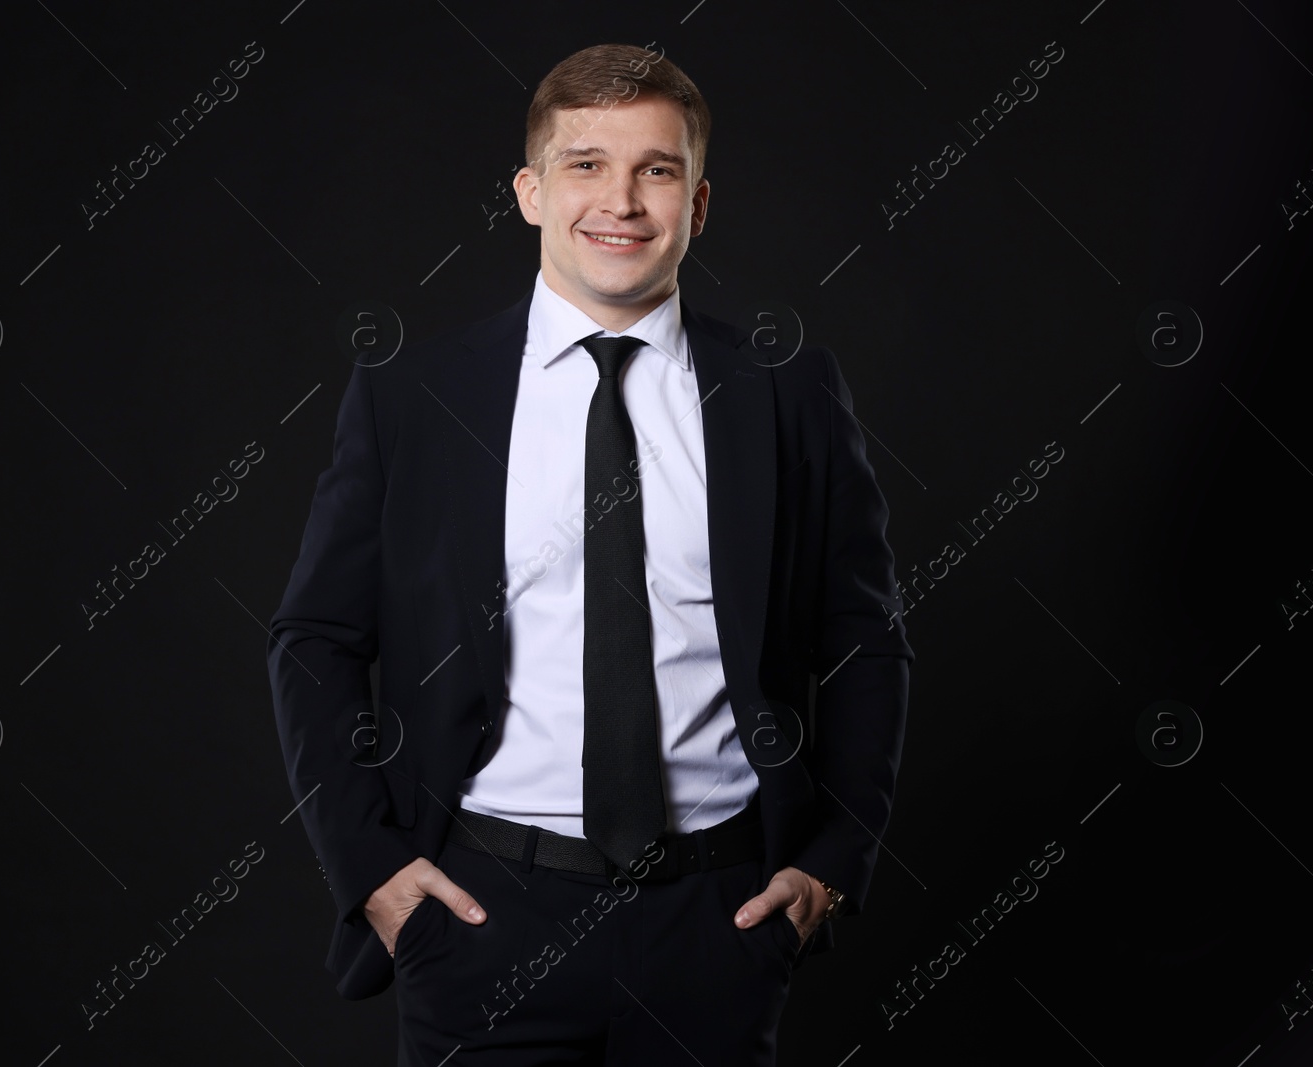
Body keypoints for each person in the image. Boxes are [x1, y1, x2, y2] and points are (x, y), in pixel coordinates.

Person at [268, 41, 913, 1065]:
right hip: (483, 916)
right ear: (529, 191)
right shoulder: (415, 399)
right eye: (585, 165)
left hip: (720, 919)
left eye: (657, 169)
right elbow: (315, 639)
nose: (621, 200)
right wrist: (375, 873)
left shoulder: (784, 393)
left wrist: (830, 865)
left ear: (698, 204)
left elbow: (863, 639)